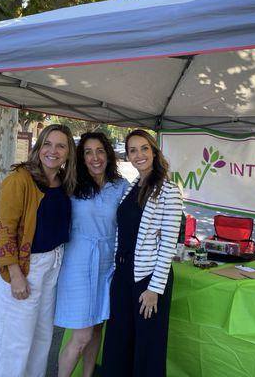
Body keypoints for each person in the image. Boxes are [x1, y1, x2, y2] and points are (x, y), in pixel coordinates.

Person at [0, 124, 76, 377]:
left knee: (41, 338)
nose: (53, 151)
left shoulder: (63, 182)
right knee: (14, 342)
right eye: (48, 144)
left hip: (53, 263)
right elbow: (5, 230)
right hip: (25, 266)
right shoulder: (20, 179)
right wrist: (15, 274)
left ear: (69, 152)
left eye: (61, 145)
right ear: (39, 147)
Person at [102, 129, 183, 377]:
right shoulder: (133, 186)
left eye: (144, 148)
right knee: (118, 341)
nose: (139, 155)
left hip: (148, 280)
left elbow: (168, 244)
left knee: (147, 347)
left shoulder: (169, 190)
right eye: (133, 150)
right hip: (123, 274)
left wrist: (154, 288)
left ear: (154, 151)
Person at [55, 132, 129, 377]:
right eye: (88, 152)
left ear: (108, 154)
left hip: (108, 263)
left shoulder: (120, 187)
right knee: (82, 334)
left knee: (98, 328)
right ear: (81, 157)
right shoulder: (71, 184)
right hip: (78, 261)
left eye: (100, 151)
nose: (95, 157)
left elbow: (132, 221)